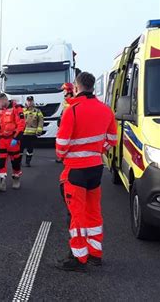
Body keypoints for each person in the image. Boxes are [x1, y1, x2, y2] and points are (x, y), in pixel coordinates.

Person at [55, 72, 117, 272]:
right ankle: (95, 254)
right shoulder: (106, 110)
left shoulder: (72, 110)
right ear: (92, 87)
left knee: (76, 215)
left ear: (77, 86)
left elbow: (61, 146)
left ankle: (78, 257)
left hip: (76, 171)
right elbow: (112, 140)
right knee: (94, 211)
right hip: (96, 168)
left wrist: (67, 155)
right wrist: (97, 150)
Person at [0, 93, 25, 192]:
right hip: (2, 140)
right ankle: (2, 183)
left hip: (13, 139)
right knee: (1, 162)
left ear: (4, 100)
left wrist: (16, 138)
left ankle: (16, 179)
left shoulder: (16, 108)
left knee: (15, 161)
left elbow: (21, 124)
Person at [21, 96, 44, 167]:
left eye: (31, 101)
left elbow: (41, 121)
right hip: (22, 134)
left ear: (33, 102)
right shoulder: (22, 110)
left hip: (32, 134)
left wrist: (39, 130)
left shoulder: (37, 111)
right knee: (20, 149)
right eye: (28, 101)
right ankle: (18, 162)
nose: (29, 102)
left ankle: (28, 162)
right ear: (26, 102)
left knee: (30, 149)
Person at [56, 83, 75, 163]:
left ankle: (64, 156)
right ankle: (62, 156)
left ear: (69, 92)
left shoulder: (73, 102)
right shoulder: (66, 101)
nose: (63, 93)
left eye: (64, 91)